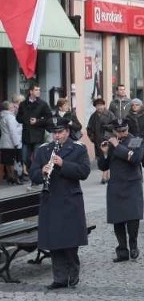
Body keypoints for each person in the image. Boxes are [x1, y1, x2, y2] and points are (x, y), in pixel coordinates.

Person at [30, 116, 91, 289]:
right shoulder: (43, 150)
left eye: (60, 132)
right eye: (54, 133)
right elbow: (33, 174)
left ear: (67, 131)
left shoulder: (78, 148)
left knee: (70, 240)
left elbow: (84, 172)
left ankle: (73, 272)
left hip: (70, 199)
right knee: (54, 240)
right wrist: (42, 171)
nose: (57, 136)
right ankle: (59, 277)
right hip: (51, 199)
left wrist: (63, 164)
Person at [97, 118, 144, 262]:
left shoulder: (135, 141)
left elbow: (135, 158)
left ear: (127, 129)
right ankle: (122, 250)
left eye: (124, 130)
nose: (121, 133)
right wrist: (104, 153)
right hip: (116, 185)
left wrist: (117, 146)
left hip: (131, 185)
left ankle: (133, 245)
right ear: (114, 131)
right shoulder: (111, 143)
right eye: (118, 131)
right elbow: (103, 166)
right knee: (118, 220)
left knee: (132, 218)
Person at [16, 83, 51, 177]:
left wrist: (37, 121)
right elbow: (18, 118)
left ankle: (36, 176)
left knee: (36, 157)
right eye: (36, 90)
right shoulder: (23, 104)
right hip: (26, 134)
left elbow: (49, 118)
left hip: (38, 134)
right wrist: (25, 119)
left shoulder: (43, 104)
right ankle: (33, 171)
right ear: (30, 91)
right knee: (24, 158)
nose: (38, 92)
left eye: (39, 90)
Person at [86, 98, 116, 184]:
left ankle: (106, 176)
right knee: (101, 158)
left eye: (101, 105)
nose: (99, 107)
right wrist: (92, 138)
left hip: (108, 139)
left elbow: (115, 125)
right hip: (98, 140)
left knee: (108, 156)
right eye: (97, 106)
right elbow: (89, 128)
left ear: (104, 105)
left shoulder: (110, 114)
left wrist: (107, 126)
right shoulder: (93, 116)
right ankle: (105, 175)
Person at [126, 98, 144, 181]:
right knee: (136, 159)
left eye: (137, 105)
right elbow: (127, 129)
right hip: (134, 140)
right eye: (133, 105)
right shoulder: (128, 116)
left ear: (140, 106)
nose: (135, 106)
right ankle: (139, 176)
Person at [0, 101, 22, 185]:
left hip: (3, 143)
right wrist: (16, 143)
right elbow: (13, 131)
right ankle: (14, 178)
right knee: (13, 161)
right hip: (10, 143)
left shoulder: (2, 116)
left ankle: (10, 177)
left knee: (7, 162)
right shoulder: (10, 117)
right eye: (12, 106)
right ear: (8, 108)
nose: (13, 107)